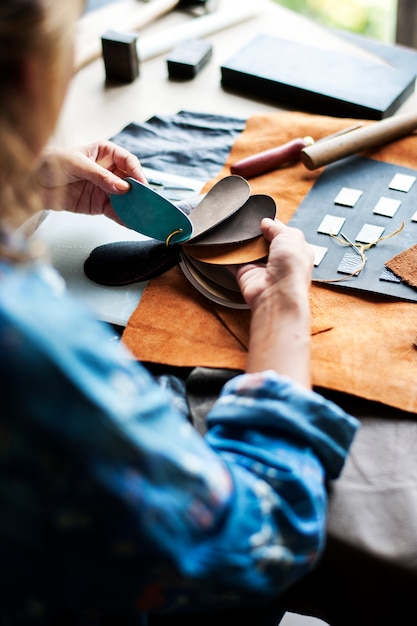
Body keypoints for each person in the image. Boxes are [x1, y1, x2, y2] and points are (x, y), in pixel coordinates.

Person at [0, 0, 359, 624]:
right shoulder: (30, 346)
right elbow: (257, 543)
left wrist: (13, 181)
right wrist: (283, 319)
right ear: (37, 76)